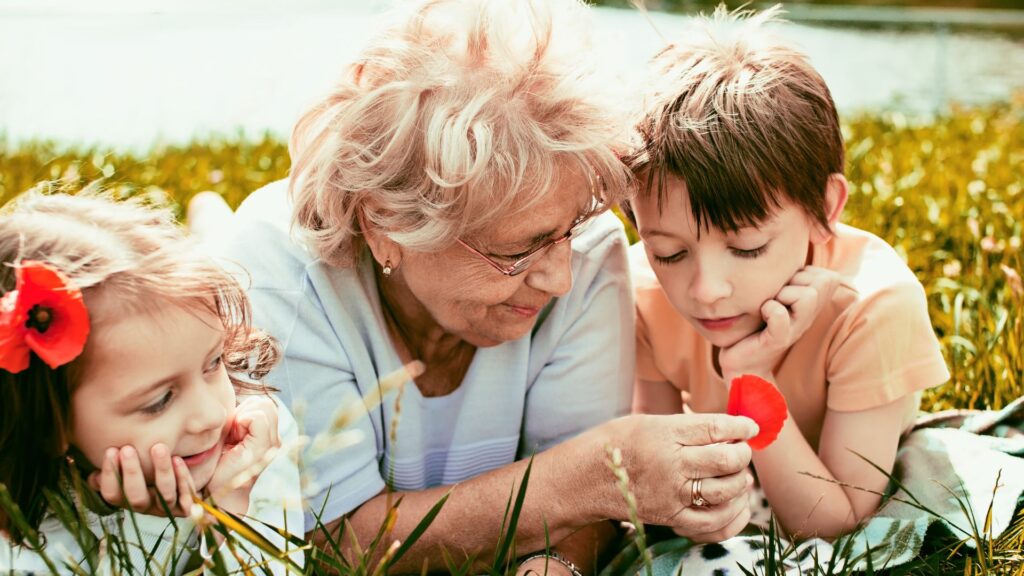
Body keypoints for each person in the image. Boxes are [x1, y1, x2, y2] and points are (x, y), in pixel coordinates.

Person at [205, 0, 760, 572]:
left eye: (570, 227)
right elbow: (327, 543)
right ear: (384, 227)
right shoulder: (278, 280)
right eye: (517, 250)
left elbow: (590, 521)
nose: (561, 278)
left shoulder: (589, 250)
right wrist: (595, 472)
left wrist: (556, 564)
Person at [626, 6, 950, 540]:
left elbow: (833, 524)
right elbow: (660, 496)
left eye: (748, 248)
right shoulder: (641, 291)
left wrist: (752, 376)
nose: (706, 291)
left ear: (825, 209)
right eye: (669, 253)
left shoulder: (873, 307)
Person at [0, 190, 303, 574]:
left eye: (213, 363)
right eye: (160, 400)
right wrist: (155, 525)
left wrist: (237, 505)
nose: (211, 415)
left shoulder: (251, 445)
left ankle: (211, 218)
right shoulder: (27, 543)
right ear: (47, 422)